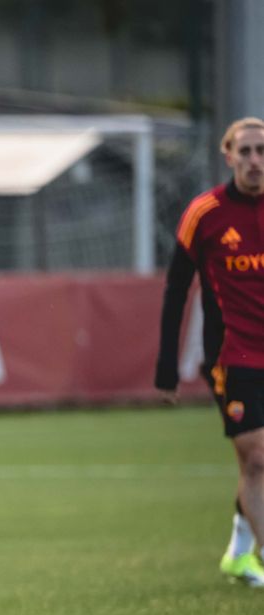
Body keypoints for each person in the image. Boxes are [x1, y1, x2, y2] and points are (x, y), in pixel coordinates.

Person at [156, 116, 264, 588]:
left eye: (262, 151)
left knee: (255, 467)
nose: (255, 161)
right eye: (245, 151)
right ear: (228, 156)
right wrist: (166, 366)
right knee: (258, 458)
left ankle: (240, 550)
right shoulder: (205, 213)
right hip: (232, 355)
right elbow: (176, 289)